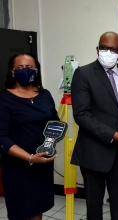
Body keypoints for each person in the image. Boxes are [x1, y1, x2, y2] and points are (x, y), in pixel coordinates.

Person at [70, 31, 118, 220]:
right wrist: (113, 135)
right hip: (93, 151)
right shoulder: (83, 74)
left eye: (114, 49)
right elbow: (81, 115)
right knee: (94, 207)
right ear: (97, 49)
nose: (108, 52)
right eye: (104, 48)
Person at [0, 53, 59, 220]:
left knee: (37, 210)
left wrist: (54, 137)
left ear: (36, 70)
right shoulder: (4, 98)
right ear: (12, 72)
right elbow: (1, 137)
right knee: (21, 212)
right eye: (19, 68)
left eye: (28, 68)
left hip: (42, 165)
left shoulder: (44, 95)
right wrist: (30, 157)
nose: (24, 71)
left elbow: (54, 122)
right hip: (18, 167)